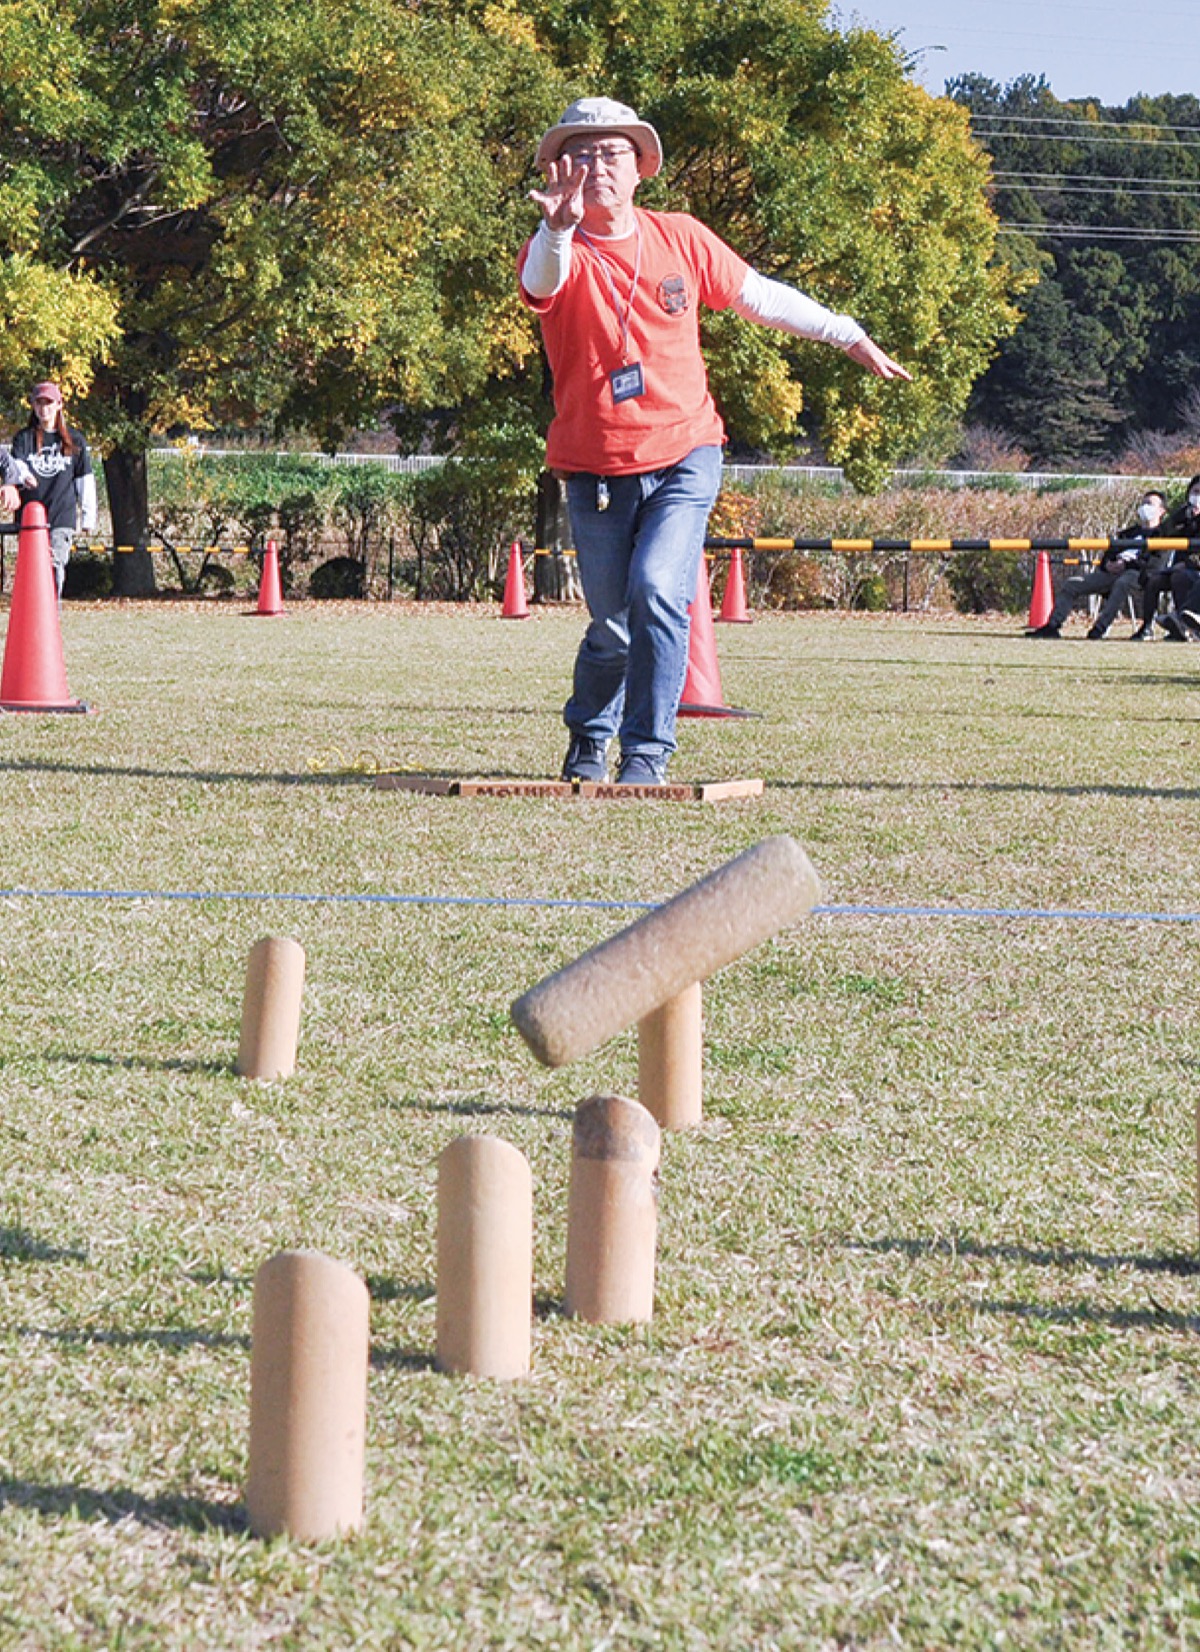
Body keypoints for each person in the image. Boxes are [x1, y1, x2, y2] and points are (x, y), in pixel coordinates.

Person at [519, 97, 910, 785]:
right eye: (580, 154)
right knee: (612, 627)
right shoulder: (557, 246)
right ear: (557, 170)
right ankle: (589, 736)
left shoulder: (681, 237)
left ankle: (646, 754)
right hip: (593, 467)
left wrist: (846, 332)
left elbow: (760, 296)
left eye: (612, 154)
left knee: (656, 593)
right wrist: (556, 231)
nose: (597, 168)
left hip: (685, 453)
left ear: (641, 170)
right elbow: (539, 284)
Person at [1030, 490, 1167, 639]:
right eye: (1143, 503)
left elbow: (1155, 564)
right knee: (1072, 584)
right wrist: (1108, 564)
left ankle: (1100, 628)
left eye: (1150, 504)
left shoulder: (1163, 536)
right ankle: (1052, 626)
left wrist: (1126, 566)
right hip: (1111, 573)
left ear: (1161, 511)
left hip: (1136, 575)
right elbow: (1109, 552)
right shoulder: (1127, 533)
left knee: (1122, 583)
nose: (1145, 507)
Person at [10, 382, 98, 598]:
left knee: (54, 567)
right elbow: (15, 465)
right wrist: (24, 475)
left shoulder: (74, 441)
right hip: (30, 520)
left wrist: (88, 518)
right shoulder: (24, 438)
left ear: (59, 405)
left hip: (61, 518)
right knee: (31, 572)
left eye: (48, 403)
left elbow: (84, 479)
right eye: (39, 403)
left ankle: (49, 617)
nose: (43, 409)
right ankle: (32, 620)